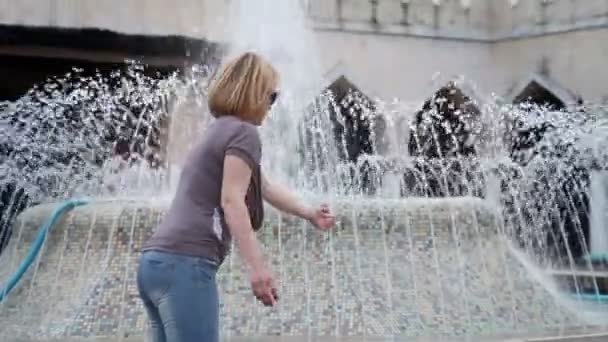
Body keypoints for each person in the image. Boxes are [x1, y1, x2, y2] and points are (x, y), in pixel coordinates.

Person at [136, 52, 336, 342]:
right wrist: (258, 270)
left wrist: (309, 213)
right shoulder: (244, 133)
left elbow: (264, 186)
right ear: (255, 94)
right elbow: (232, 200)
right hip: (186, 263)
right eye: (271, 96)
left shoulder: (217, 131)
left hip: (155, 264)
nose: (272, 105)